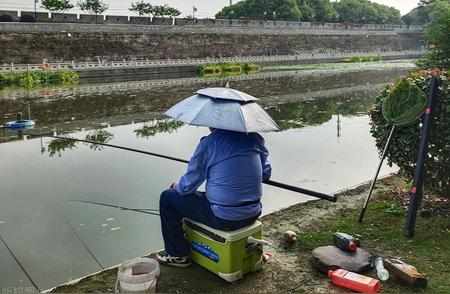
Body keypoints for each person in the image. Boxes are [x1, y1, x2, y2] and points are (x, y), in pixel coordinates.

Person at [157, 128, 271, 267]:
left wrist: (176, 186)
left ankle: (178, 254)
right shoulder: (255, 139)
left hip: (223, 217)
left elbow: (187, 187)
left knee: (167, 197)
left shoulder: (209, 143)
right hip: (253, 212)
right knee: (208, 196)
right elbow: (265, 174)